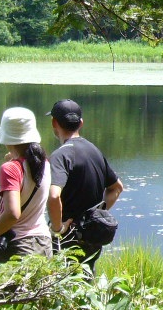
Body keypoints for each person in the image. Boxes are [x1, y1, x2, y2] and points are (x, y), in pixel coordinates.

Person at [47, 98, 124, 270]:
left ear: (54, 123)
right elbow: (117, 188)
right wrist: (96, 215)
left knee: (64, 285)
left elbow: (53, 196)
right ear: (81, 123)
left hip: (68, 239)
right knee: (86, 281)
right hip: (92, 235)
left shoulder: (61, 156)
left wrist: (58, 228)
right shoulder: (94, 150)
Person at [0, 106, 53, 262]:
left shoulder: (10, 169)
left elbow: (12, 214)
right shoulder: (44, 164)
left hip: (17, 248)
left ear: (7, 138)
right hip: (43, 243)